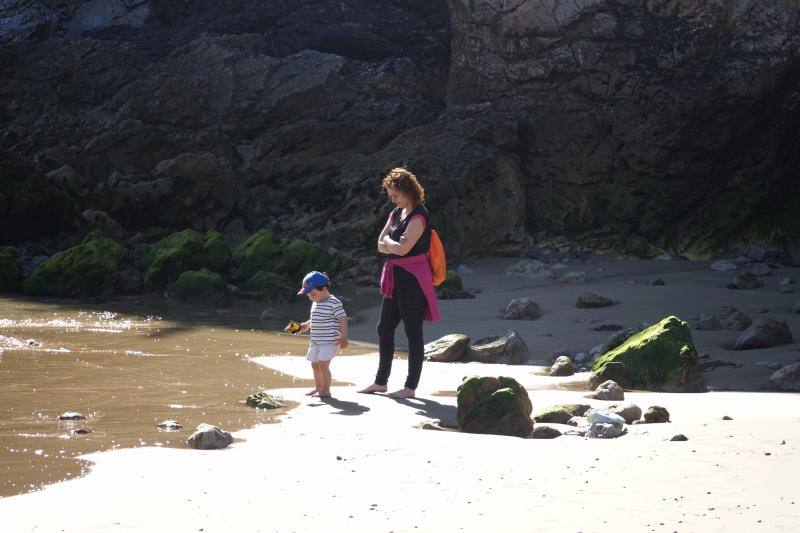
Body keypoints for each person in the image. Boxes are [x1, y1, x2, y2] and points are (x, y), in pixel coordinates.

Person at [359, 167, 440, 399]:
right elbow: (380, 244)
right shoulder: (396, 213)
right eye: (390, 195)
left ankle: (410, 387)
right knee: (384, 328)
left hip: (413, 280)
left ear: (408, 191)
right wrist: (391, 243)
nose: (392, 199)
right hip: (395, 277)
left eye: (395, 195)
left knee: (413, 332)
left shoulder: (419, 216)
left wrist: (391, 243)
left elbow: (402, 249)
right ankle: (380, 382)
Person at [297, 271, 348, 398]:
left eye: (312, 294)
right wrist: (307, 325)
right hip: (315, 341)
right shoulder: (316, 302)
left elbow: (343, 319)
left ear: (324, 289)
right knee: (314, 365)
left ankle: (326, 390)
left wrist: (344, 336)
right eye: (308, 295)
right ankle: (318, 387)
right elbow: (315, 318)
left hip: (328, 341)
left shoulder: (334, 302)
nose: (310, 297)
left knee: (323, 365)